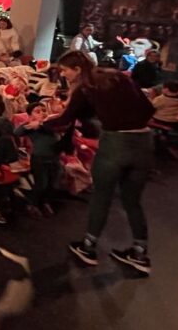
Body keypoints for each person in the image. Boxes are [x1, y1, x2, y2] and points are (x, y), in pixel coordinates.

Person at [46, 50, 155, 274]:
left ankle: (88, 247)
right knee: (132, 200)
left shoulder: (85, 88)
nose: (64, 75)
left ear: (77, 69)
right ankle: (140, 253)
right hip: (144, 142)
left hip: (115, 143)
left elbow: (66, 120)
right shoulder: (119, 77)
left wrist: (40, 124)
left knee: (102, 197)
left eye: (65, 70)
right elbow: (149, 108)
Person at [15, 101, 62, 218]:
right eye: (37, 112)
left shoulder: (51, 124)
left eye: (44, 110)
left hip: (55, 158)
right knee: (41, 184)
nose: (42, 113)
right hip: (39, 159)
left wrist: (41, 124)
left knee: (53, 183)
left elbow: (58, 128)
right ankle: (33, 205)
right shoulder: (31, 126)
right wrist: (31, 124)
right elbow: (17, 132)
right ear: (30, 115)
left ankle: (46, 202)